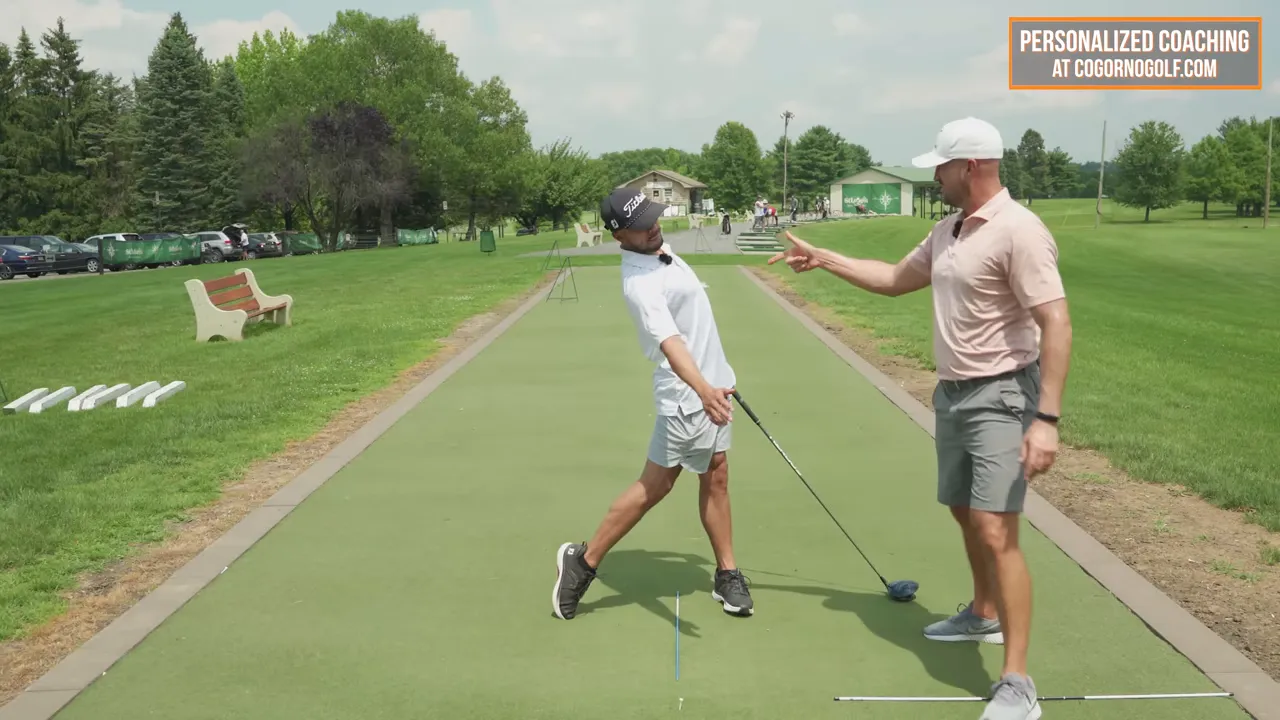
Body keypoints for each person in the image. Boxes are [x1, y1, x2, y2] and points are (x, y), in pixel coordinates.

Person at [768, 116, 1072, 720]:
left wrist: (1047, 419)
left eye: (941, 166)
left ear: (972, 167)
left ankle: (1017, 682)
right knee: (964, 511)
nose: (934, 174)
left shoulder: (1020, 230)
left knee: (996, 528)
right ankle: (982, 614)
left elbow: (1055, 322)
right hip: (954, 393)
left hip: (1005, 393)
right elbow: (892, 279)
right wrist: (824, 259)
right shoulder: (950, 230)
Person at [552, 188, 754, 621]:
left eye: (653, 216)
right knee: (656, 486)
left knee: (717, 475)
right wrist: (703, 389)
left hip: (713, 389)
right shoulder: (641, 284)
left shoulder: (658, 252)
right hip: (687, 398)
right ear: (620, 234)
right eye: (643, 223)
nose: (654, 225)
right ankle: (583, 563)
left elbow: (695, 326)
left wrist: (719, 379)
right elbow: (671, 342)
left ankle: (727, 572)